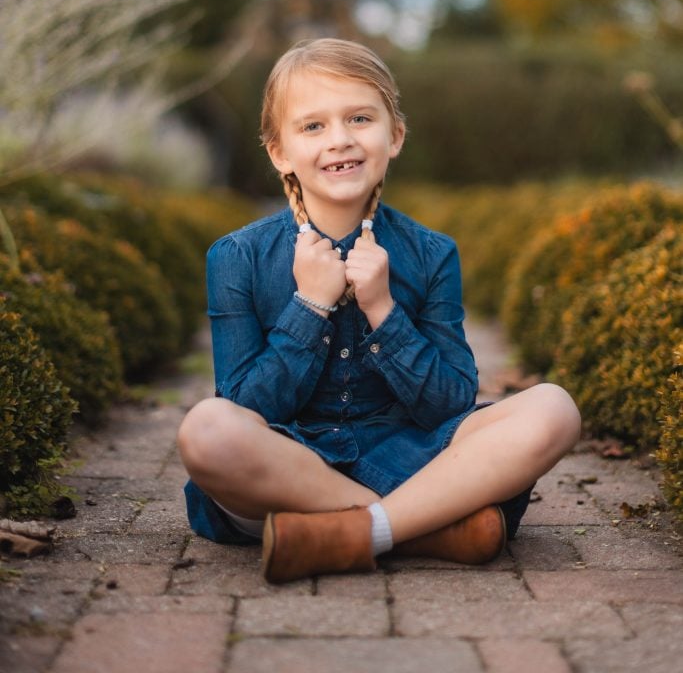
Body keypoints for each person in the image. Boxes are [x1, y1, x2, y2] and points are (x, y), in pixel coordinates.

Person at [177, 38, 581, 583]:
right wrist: (310, 304)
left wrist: (384, 309)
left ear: (395, 135)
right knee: (207, 429)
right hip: (286, 473)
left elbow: (450, 402)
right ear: (279, 152)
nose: (339, 139)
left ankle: (357, 533)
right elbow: (248, 406)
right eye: (312, 126)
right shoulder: (237, 256)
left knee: (554, 408)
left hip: (410, 458)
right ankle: (429, 528)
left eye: (360, 118)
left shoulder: (431, 252)